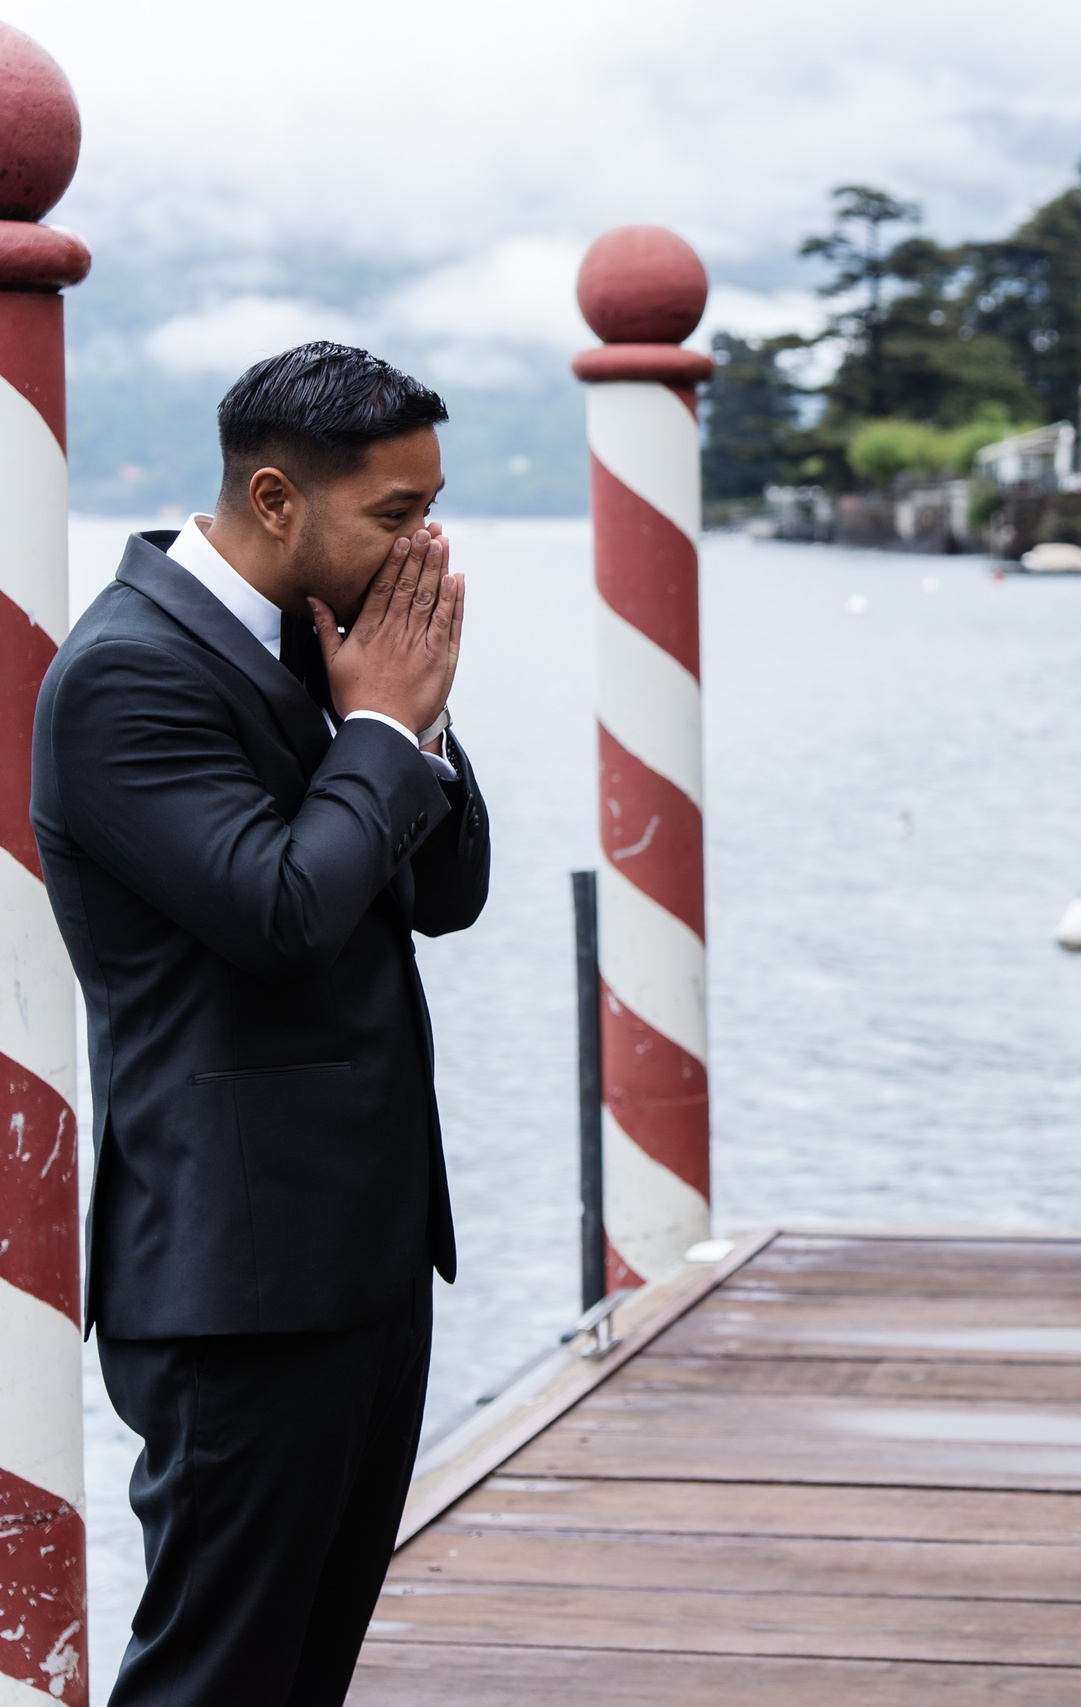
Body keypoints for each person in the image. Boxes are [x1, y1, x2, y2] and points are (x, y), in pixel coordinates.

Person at [32, 341, 489, 1707]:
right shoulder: (126, 674)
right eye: (397, 514)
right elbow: (283, 915)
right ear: (278, 498)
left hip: (365, 1261)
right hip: (237, 1288)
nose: (426, 547)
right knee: (214, 1677)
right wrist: (383, 731)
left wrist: (415, 725)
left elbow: (448, 895)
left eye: (433, 507)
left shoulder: (330, 640)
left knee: (304, 1672)